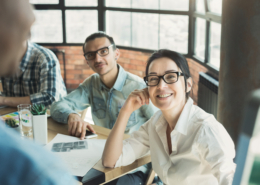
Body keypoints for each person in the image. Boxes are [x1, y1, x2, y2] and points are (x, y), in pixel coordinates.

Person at [102, 49, 236, 185]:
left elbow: (231, 179)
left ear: (188, 85)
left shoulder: (206, 129)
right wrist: (125, 111)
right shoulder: (154, 124)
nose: (161, 86)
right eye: (153, 79)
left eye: (171, 77)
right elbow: (111, 160)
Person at [50, 31, 158, 185]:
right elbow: (57, 106)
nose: (98, 58)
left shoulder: (138, 88)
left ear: (116, 53)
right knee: (56, 174)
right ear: (87, 61)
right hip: (100, 159)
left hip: (133, 166)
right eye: (91, 55)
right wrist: (71, 115)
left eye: (103, 51)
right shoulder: (91, 84)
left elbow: (162, 127)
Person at [0, 0, 77, 184]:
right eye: (25, 29)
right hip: (23, 130)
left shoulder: (44, 58)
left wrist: (5, 99)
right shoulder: (38, 170)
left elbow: (50, 99)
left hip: (48, 128)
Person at [0, 40, 67, 108]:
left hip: (52, 114)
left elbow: (49, 98)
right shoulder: (4, 57)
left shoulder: (45, 58)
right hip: (15, 113)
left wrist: (3, 100)